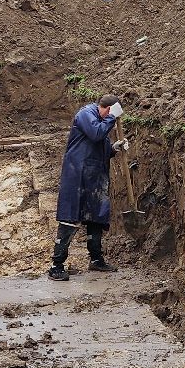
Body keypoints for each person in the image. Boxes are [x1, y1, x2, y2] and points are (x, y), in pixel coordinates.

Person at [50, 93, 126, 281]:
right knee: (70, 218)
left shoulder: (100, 119)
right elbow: (96, 133)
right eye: (110, 113)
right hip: (77, 176)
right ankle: (56, 265)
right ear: (108, 109)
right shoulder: (86, 114)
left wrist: (114, 148)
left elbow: (100, 147)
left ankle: (96, 259)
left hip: (93, 178)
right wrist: (111, 118)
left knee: (95, 218)